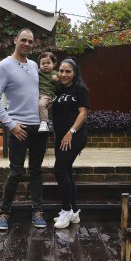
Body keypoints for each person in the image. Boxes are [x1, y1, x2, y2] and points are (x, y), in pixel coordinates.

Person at [0, 28, 49, 231]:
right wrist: (11, 124)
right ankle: (4, 212)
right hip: (19, 128)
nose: (27, 44)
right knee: (15, 172)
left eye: (30, 41)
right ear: (15, 40)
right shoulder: (4, 66)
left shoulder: (33, 65)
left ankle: (37, 211)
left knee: (36, 172)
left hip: (39, 128)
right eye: (23, 40)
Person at [51, 58, 90, 229]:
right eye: (61, 71)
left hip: (75, 135)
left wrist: (71, 132)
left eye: (68, 71)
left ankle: (66, 210)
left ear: (74, 73)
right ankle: (74, 211)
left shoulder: (79, 89)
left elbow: (83, 113)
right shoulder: (59, 90)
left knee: (59, 170)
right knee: (66, 170)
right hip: (60, 136)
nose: (64, 74)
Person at [37, 52, 60, 132]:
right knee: (43, 107)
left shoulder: (56, 74)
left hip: (47, 95)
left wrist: (57, 81)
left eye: (48, 63)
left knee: (41, 104)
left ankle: (43, 123)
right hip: (37, 95)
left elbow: (60, 88)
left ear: (54, 64)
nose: (45, 65)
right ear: (39, 65)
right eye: (43, 63)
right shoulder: (38, 72)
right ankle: (49, 123)